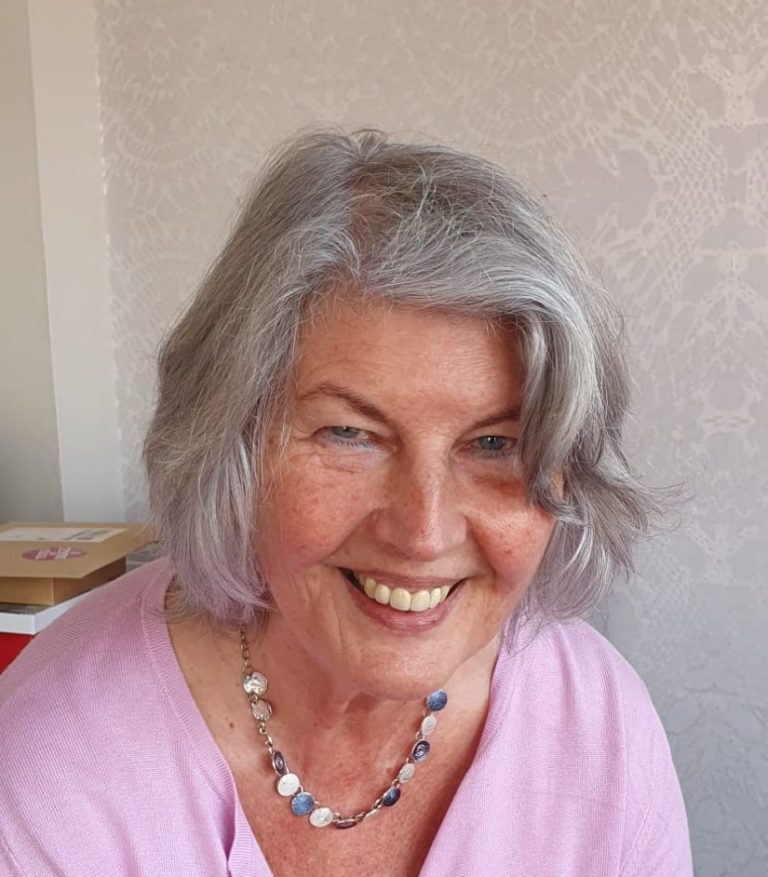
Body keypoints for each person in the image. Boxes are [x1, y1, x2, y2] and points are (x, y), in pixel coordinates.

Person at [0, 130, 692, 876]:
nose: (423, 532)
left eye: (495, 443)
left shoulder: (601, 731)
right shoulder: (50, 778)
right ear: (233, 439)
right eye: (350, 433)